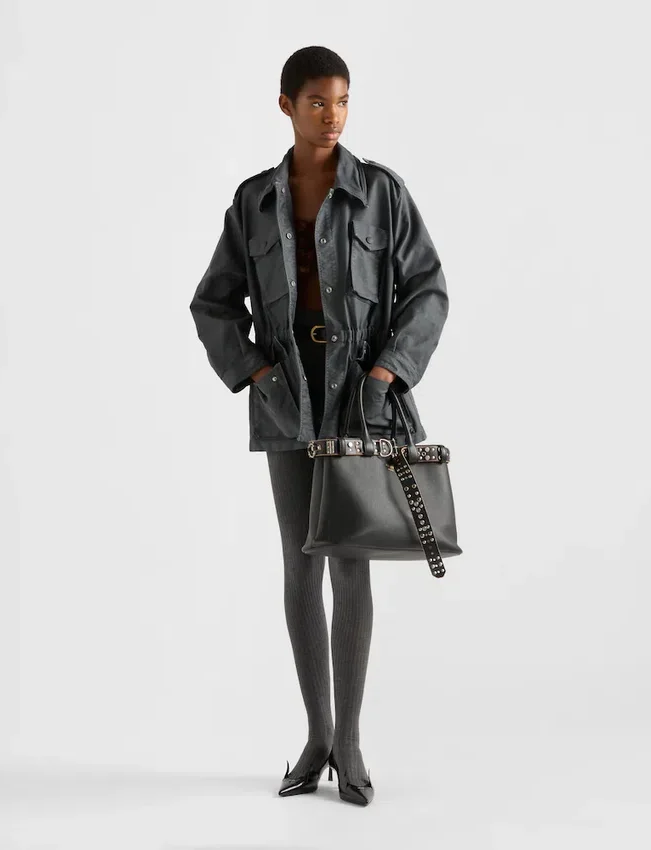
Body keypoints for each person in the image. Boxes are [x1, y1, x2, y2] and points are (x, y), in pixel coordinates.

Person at [189, 45, 449, 806]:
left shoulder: (381, 192)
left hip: (359, 399)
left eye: (342, 100)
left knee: (350, 561)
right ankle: (317, 737)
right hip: (286, 400)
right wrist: (257, 374)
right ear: (286, 106)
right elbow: (212, 303)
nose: (332, 116)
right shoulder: (253, 202)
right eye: (316, 102)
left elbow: (429, 289)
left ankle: (353, 743)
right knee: (300, 563)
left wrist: (387, 373)